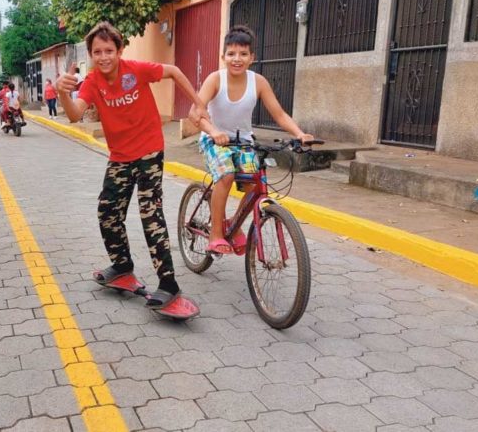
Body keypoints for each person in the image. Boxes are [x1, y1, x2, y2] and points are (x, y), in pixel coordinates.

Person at [55, 21, 209, 314]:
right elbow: (75, 115)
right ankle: (123, 266)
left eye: (109, 50)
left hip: (150, 150)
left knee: (150, 214)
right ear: (90, 54)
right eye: (97, 52)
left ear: (120, 50)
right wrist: (62, 92)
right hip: (120, 157)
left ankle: (169, 285)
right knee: (107, 212)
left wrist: (199, 104)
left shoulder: (135, 69)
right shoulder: (92, 82)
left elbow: (174, 72)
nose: (103, 57)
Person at [193, 26, 314, 254]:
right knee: (227, 174)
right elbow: (195, 113)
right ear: (223, 57)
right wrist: (213, 131)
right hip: (213, 140)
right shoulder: (215, 79)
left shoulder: (258, 82)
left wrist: (299, 134)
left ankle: (234, 224)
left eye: (243, 54)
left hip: (243, 142)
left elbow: (279, 114)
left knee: (254, 184)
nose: (236, 59)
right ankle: (216, 233)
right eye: (231, 54)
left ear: (252, 58)